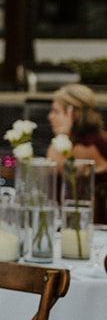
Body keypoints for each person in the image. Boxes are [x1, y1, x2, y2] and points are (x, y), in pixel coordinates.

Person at [47, 82, 107, 219]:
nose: (50, 116)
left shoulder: (88, 146)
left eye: (56, 111)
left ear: (72, 114)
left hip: (83, 227)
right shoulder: (79, 144)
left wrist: (62, 131)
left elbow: (52, 166)